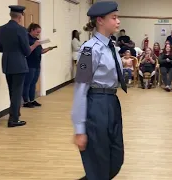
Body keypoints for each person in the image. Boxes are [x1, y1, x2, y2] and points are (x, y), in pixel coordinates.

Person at [71, 1, 127, 180]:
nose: (118, 21)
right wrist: (80, 129)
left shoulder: (111, 46)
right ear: (100, 21)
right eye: (114, 17)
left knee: (115, 160)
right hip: (96, 105)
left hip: (112, 103)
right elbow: (80, 89)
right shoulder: (89, 50)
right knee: (99, 163)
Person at [0, 5, 32, 127]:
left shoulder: (1, 29)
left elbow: (0, 48)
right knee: (17, 92)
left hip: (7, 63)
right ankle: (13, 120)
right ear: (20, 16)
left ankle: (15, 113)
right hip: (19, 64)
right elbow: (27, 51)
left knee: (12, 91)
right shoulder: (21, 30)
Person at [22, 23, 54, 108]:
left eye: (39, 32)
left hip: (36, 64)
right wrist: (35, 44)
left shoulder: (36, 39)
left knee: (33, 83)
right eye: (37, 32)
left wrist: (48, 49)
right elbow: (26, 51)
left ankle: (32, 100)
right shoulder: (26, 38)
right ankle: (26, 101)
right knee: (27, 83)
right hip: (29, 64)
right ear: (32, 30)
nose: (38, 34)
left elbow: (40, 51)